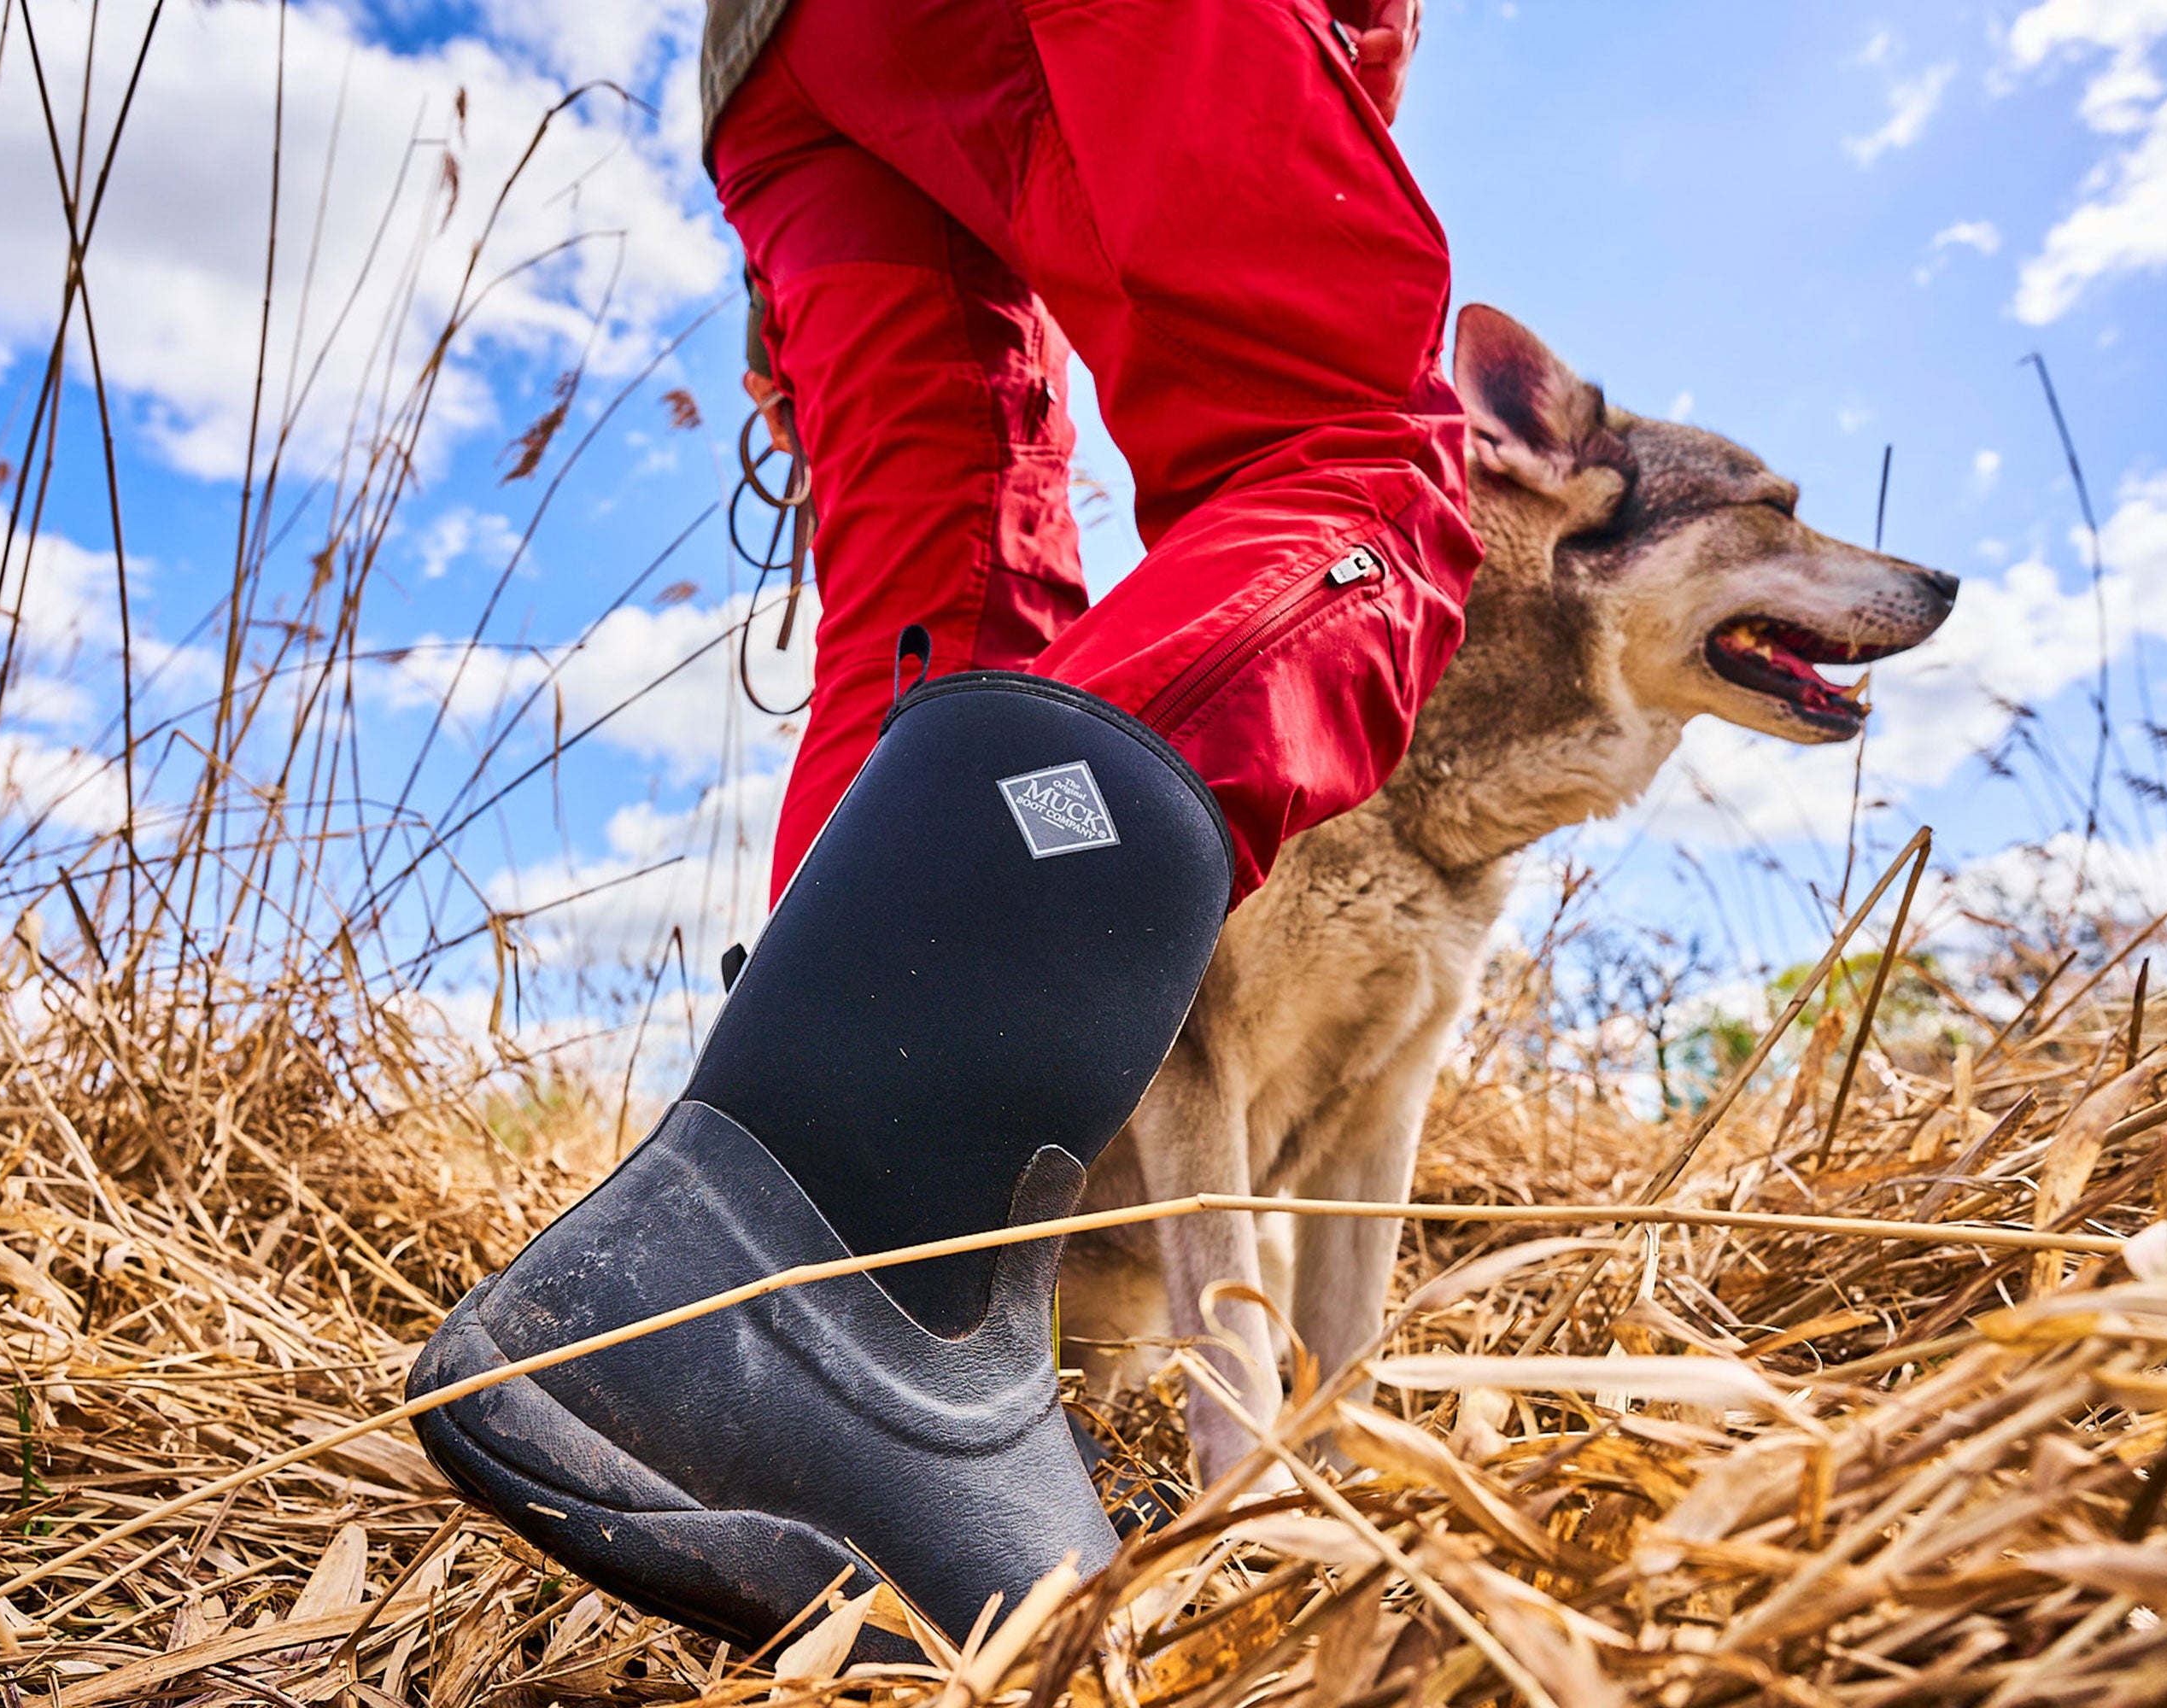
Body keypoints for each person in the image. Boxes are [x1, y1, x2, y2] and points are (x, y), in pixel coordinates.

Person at [407, 0, 1477, 1658]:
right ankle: (854, 1271)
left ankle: (742, 1309)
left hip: (779, 66)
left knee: (942, 618)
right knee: (1346, 454)